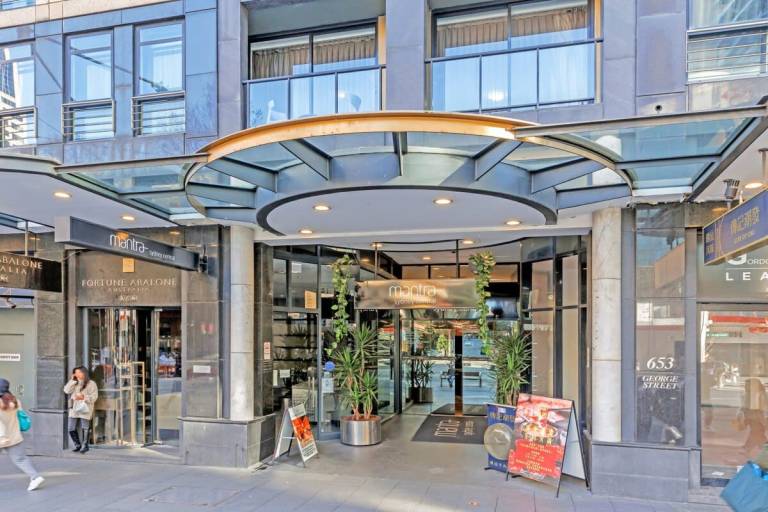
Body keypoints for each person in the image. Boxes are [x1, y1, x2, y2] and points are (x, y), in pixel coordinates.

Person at [0, 378, 45, 491]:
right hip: (14, 436)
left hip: (2, 437)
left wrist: (2, 436)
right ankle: (35, 477)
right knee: (21, 459)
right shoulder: (15, 400)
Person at [63, 367, 98, 454]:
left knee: (85, 427)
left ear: (84, 373)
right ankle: (77, 445)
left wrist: (83, 397)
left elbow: (94, 397)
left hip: (85, 407)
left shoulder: (91, 383)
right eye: (75, 373)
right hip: (74, 408)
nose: (77, 374)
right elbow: (66, 390)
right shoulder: (74, 383)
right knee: (71, 427)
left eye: (79, 372)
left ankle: (85, 446)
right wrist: (72, 380)